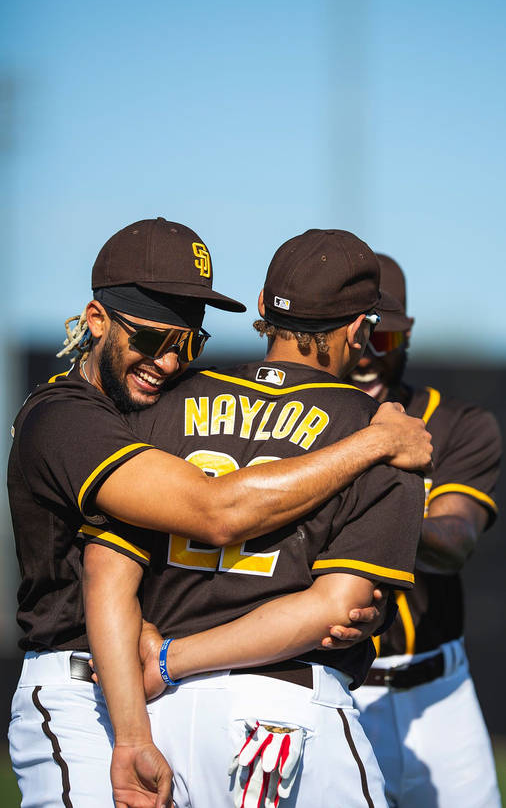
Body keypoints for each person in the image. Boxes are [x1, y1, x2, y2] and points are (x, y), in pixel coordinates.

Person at [8, 220, 431, 808]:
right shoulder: (63, 418)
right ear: (96, 319)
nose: (169, 360)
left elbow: (118, 573)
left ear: (261, 307)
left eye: (188, 341)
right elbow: (217, 510)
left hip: (154, 701)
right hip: (87, 687)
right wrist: (374, 443)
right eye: (153, 337)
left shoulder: (163, 412)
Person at [347, 253, 501, 808]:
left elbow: (454, 542)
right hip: (334, 690)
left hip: (438, 693)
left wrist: (354, 505)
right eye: (358, 337)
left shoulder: (458, 423)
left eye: (383, 340)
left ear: (406, 339)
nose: (367, 355)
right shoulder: (295, 424)